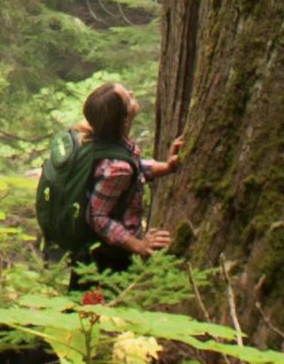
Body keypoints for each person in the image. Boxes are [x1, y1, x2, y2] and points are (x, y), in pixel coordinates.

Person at [53, 81, 185, 275]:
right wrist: (138, 245)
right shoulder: (117, 168)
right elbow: (97, 217)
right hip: (106, 261)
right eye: (128, 98)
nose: (132, 92)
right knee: (95, 304)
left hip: (104, 253)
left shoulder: (104, 142)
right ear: (124, 120)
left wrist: (167, 167)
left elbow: (135, 169)